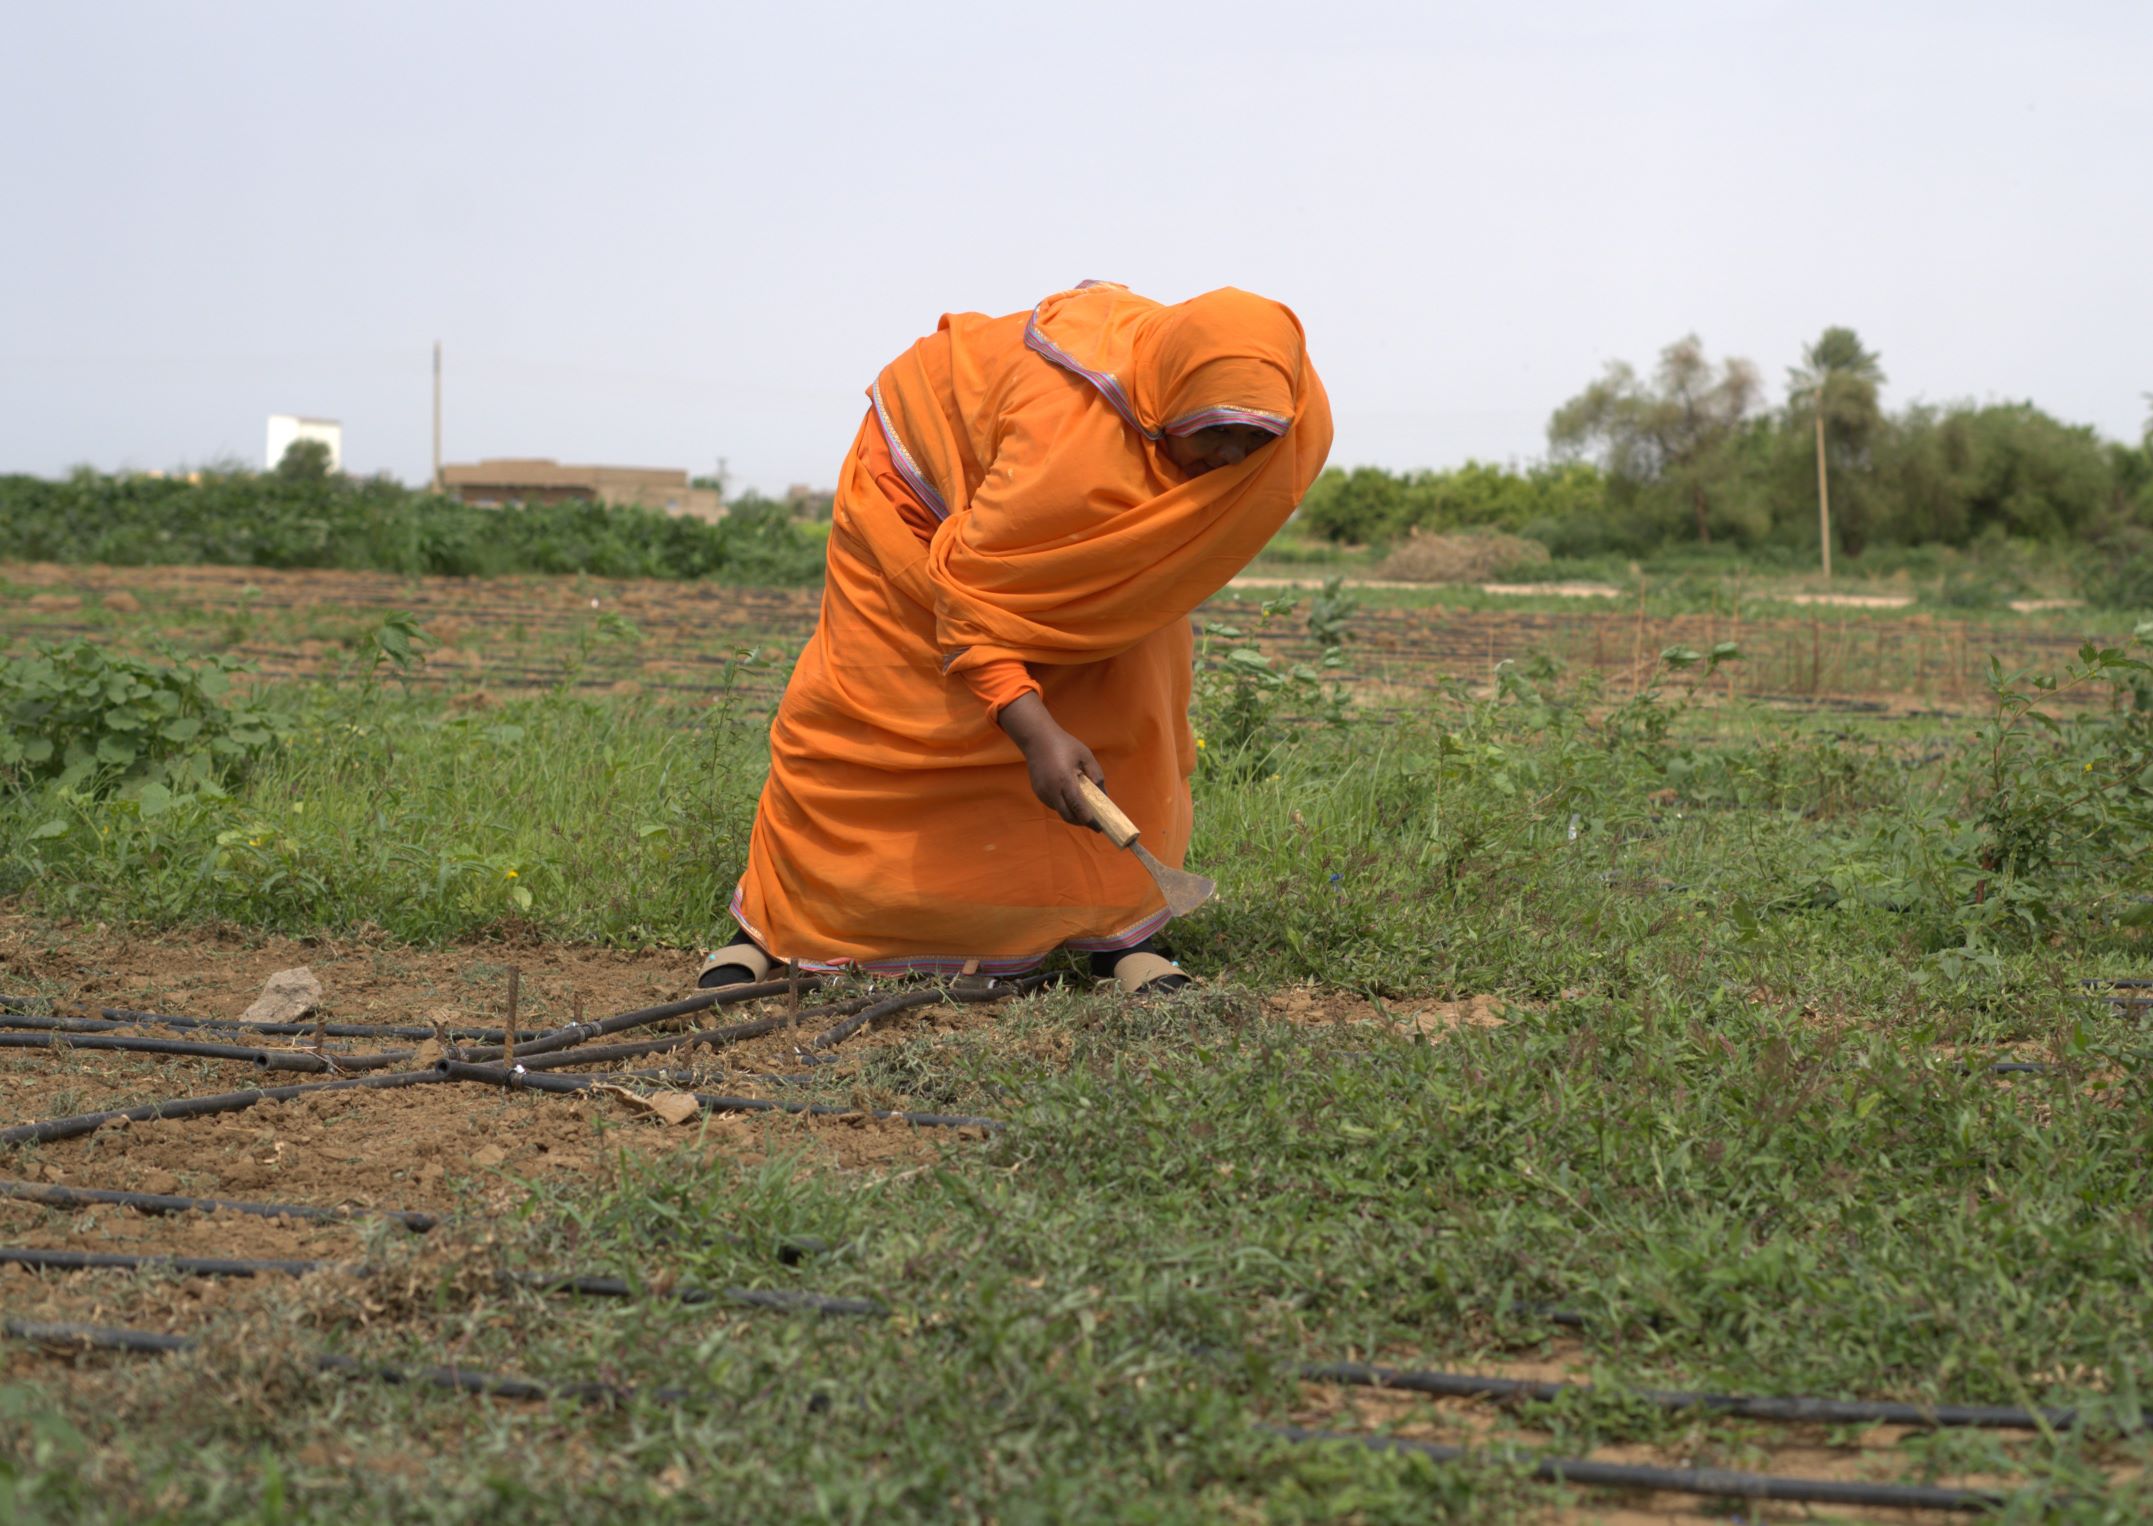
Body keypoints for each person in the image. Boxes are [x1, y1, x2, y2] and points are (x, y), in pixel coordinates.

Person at [698, 279, 1332, 993]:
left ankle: (1118, 935)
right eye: (1212, 432)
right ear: (1162, 407)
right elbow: (974, 603)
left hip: (1023, 505)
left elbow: (1218, 476)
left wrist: (1073, 649)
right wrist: (1032, 732)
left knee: (1128, 691)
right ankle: (777, 927)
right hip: (911, 496)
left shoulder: (1285, 425)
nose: (1228, 458)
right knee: (877, 704)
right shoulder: (1071, 450)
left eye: (1251, 439)